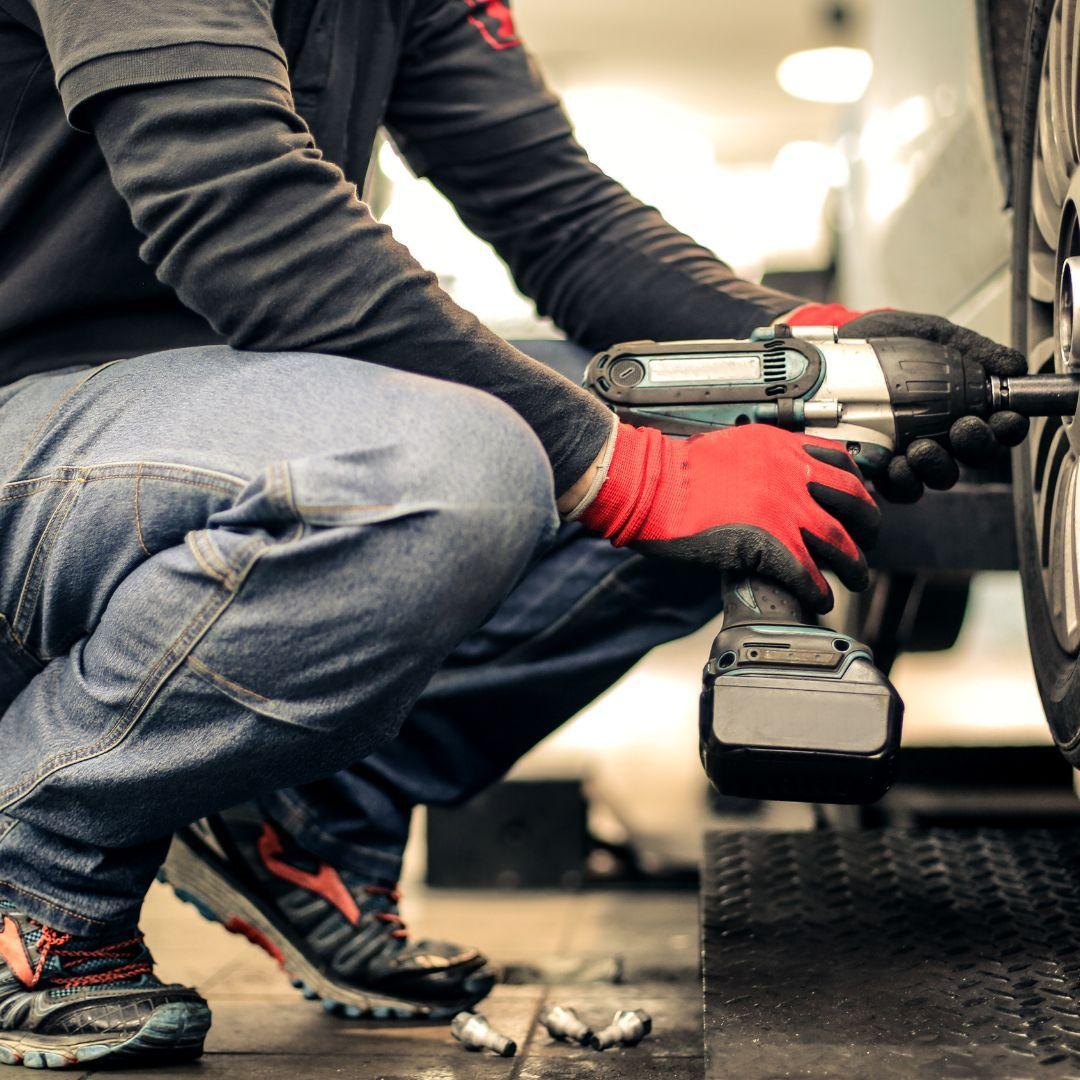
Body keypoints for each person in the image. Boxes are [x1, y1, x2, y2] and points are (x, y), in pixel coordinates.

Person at [0, 0, 1028, 1067]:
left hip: (207, 431)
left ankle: (311, 811)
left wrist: (809, 353)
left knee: (740, 424)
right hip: (31, 435)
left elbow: (562, 220)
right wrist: (639, 474)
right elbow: (237, 210)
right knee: (450, 470)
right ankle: (38, 854)